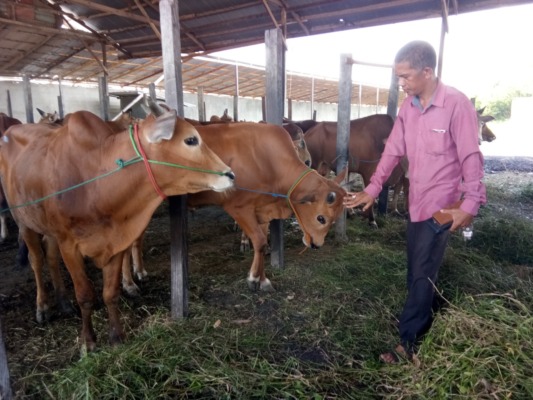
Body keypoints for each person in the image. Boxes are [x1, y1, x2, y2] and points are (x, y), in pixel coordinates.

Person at [343, 40, 486, 363]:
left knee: (421, 269)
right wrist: (374, 187)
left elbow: (470, 155)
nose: (401, 83)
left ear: (427, 72)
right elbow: (393, 149)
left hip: (442, 205)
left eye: (406, 77)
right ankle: (429, 314)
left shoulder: (456, 105)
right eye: (398, 77)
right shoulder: (408, 108)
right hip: (416, 203)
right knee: (418, 266)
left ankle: (409, 343)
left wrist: (470, 203)